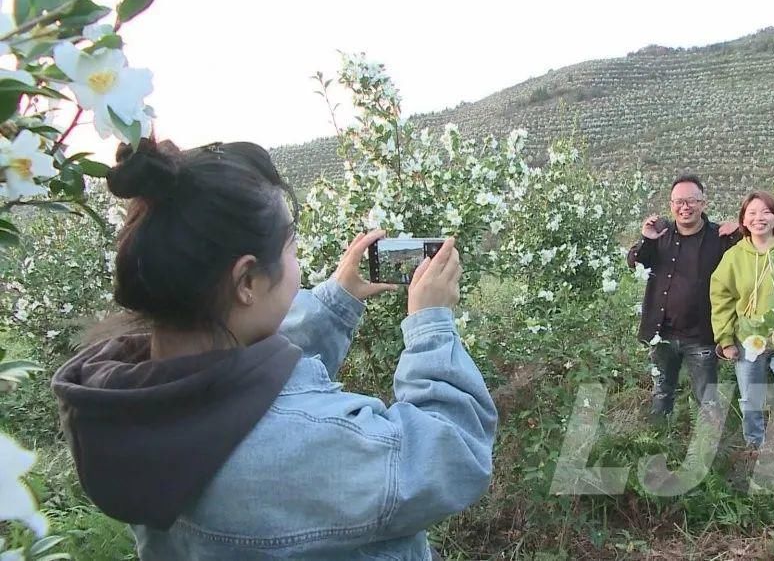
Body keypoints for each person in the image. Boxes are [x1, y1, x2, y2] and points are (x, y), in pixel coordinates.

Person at [51, 138, 497, 560]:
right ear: (247, 281)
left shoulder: (125, 410)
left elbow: (243, 372)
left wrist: (337, 301)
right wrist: (430, 324)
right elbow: (451, 455)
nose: (296, 265)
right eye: (290, 248)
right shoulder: (307, 444)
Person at [626, 174, 740, 418]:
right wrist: (647, 239)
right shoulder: (660, 234)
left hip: (702, 336)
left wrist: (742, 229)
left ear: (703, 203)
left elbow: (753, 253)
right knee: (661, 393)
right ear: (671, 205)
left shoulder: (719, 237)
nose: (684, 207)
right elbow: (634, 261)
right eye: (678, 201)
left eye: (691, 201)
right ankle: (658, 445)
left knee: (707, 399)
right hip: (662, 334)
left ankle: (709, 448)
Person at [710, 190, 774, 463]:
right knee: (751, 403)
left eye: (765, 212)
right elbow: (721, 297)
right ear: (743, 219)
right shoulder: (734, 256)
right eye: (752, 213)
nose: (759, 218)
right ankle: (755, 451)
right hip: (748, 340)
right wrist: (726, 339)